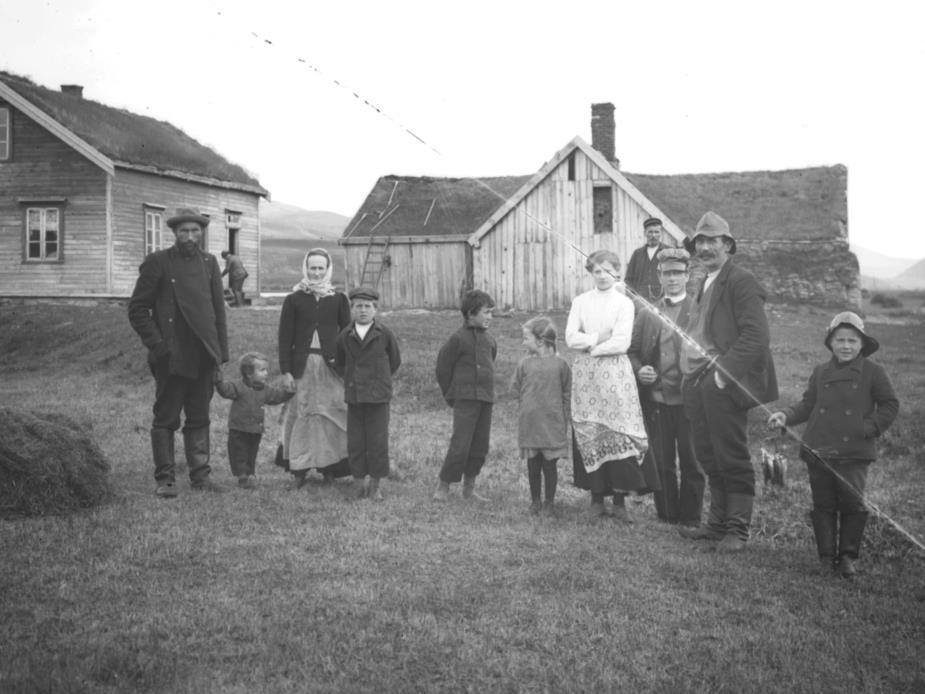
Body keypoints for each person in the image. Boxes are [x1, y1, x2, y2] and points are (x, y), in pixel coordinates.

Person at [767, 312, 898, 577]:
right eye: (840, 340)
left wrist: (868, 428)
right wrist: (786, 416)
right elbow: (807, 404)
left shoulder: (874, 372)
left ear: (862, 344)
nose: (846, 346)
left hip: (854, 451)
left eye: (852, 340)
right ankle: (826, 556)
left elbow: (889, 404)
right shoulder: (820, 372)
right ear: (831, 342)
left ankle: (848, 557)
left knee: (852, 502)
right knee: (823, 502)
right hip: (820, 448)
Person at [678, 211, 778, 553]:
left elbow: (756, 336)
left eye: (712, 241)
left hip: (724, 382)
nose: (704, 248)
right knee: (708, 453)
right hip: (698, 381)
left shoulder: (741, 280)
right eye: (699, 242)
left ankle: (737, 529)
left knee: (731, 453)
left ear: (728, 245)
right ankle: (717, 524)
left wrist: (725, 373)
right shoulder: (704, 280)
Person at [128, 206, 229, 497]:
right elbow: (137, 309)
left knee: (199, 417)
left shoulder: (209, 263)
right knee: (166, 418)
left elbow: (217, 313)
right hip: (171, 356)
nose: (189, 236)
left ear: (201, 233)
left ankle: (201, 477)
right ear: (173, 233)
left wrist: (220, 353)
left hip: (202, 354)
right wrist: (158, 346)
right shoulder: (158, 262)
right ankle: (166, 480)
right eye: (184, 231)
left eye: (195, 231)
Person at [565, 249, 656, 521]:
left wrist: (591, 346)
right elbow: (570, 337)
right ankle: (596, 498)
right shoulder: (581, 301)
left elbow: (622, 342)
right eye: (597, 271)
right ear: (590, 273)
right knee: (590, 427)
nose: (602, 276)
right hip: (587, 378)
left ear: (617, 273)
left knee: (619, 430)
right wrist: (597, 337)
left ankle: (619, 501)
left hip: (615, 374)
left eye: (608, 270)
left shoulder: (624, 303)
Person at [628, 248, 705, 526]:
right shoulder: (648, 313)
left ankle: (691, 517)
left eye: (677, 273)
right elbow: (633, 351)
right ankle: (667, 514)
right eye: (667, 273)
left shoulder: (699, 311)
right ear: (659, 276)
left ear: (687, 276)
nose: (672, 279)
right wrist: (640, 370)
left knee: (692, 461)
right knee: (662, 461)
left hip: (689, 401)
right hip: (658, 401)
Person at [278, 248, 352, 488]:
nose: (317, 272)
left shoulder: (338, 299)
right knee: (302, 414)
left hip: (330, 368)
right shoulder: (294, 299)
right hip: (303, 367)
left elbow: (347, 335)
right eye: (313, 268)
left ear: (328, 269)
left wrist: (346, 366)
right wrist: (286, 371)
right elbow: (284, 337)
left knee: (331, 414)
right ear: (306, 268)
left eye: (321, 268)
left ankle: (329, 467)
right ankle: (299, 468)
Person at [334, 286, 402, 501]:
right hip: (355, 397)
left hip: (378, 397)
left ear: (375, 310)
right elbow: (340, 364)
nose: (362, 310)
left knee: (377, 441)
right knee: (356, 441)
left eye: (367, 306)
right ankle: (358, 483)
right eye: (357, 306)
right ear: (351, 309)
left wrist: (378, 380)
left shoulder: (385, 334)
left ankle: (375, 485)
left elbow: (394, 360)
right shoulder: (345, 335)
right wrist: (354, 381)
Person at [433, 289, 497, 502]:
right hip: (464, 399)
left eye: (491, 313)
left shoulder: (490, 340)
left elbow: (491, 363)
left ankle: (469, 489)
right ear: (471, 313)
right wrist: (451, 395)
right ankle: (444, 485)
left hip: (485, 399)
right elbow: (443, 368)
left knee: (480, 445)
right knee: (460, 444)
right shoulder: (457, 339)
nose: (490, 317)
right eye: (486, 312)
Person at [512, 316, 571, 514]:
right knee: (533, 464)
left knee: (549, 465)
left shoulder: (561, 365)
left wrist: (564, 418)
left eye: (526, 338)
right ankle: (535, 501)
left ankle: (549, 503)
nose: (523, 342)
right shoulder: (524, 364)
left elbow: (567, 393)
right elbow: (515, 389)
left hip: (552, 424)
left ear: (540, 341)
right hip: (530, 424)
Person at [215, 352, 294, 489]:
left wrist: (288, 393)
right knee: (239, 453)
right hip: (238, 429)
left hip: (256, 430)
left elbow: (276, 396)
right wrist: (218, 381)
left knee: (251, 453)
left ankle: (249, 474)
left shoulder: (265, 389)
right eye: (262, 370)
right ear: (249, 374)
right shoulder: (238, 386)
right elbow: (225, 391)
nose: (266, 373)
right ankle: (242, 476)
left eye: (267, 370)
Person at [624, 217, 670, 304]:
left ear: (661, 234)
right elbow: (628, 280)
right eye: (650, 232)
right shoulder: (637, 254)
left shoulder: (669, 252)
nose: (653, 235)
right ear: (645, 233)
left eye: (656, 232)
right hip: (640, 301)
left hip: (662, 301)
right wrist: (633, 298)